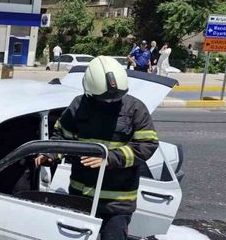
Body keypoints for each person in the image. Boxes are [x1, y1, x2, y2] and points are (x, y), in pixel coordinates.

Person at [36, 56, 158, 240]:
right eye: (104, 99)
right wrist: (51, 153)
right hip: (80, 197)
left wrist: (109, 158)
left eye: (115, 98)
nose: (109, 102)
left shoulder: (135, 109)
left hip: (117, 203)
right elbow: (62, 137)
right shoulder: (79, 106)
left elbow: (147, 144)